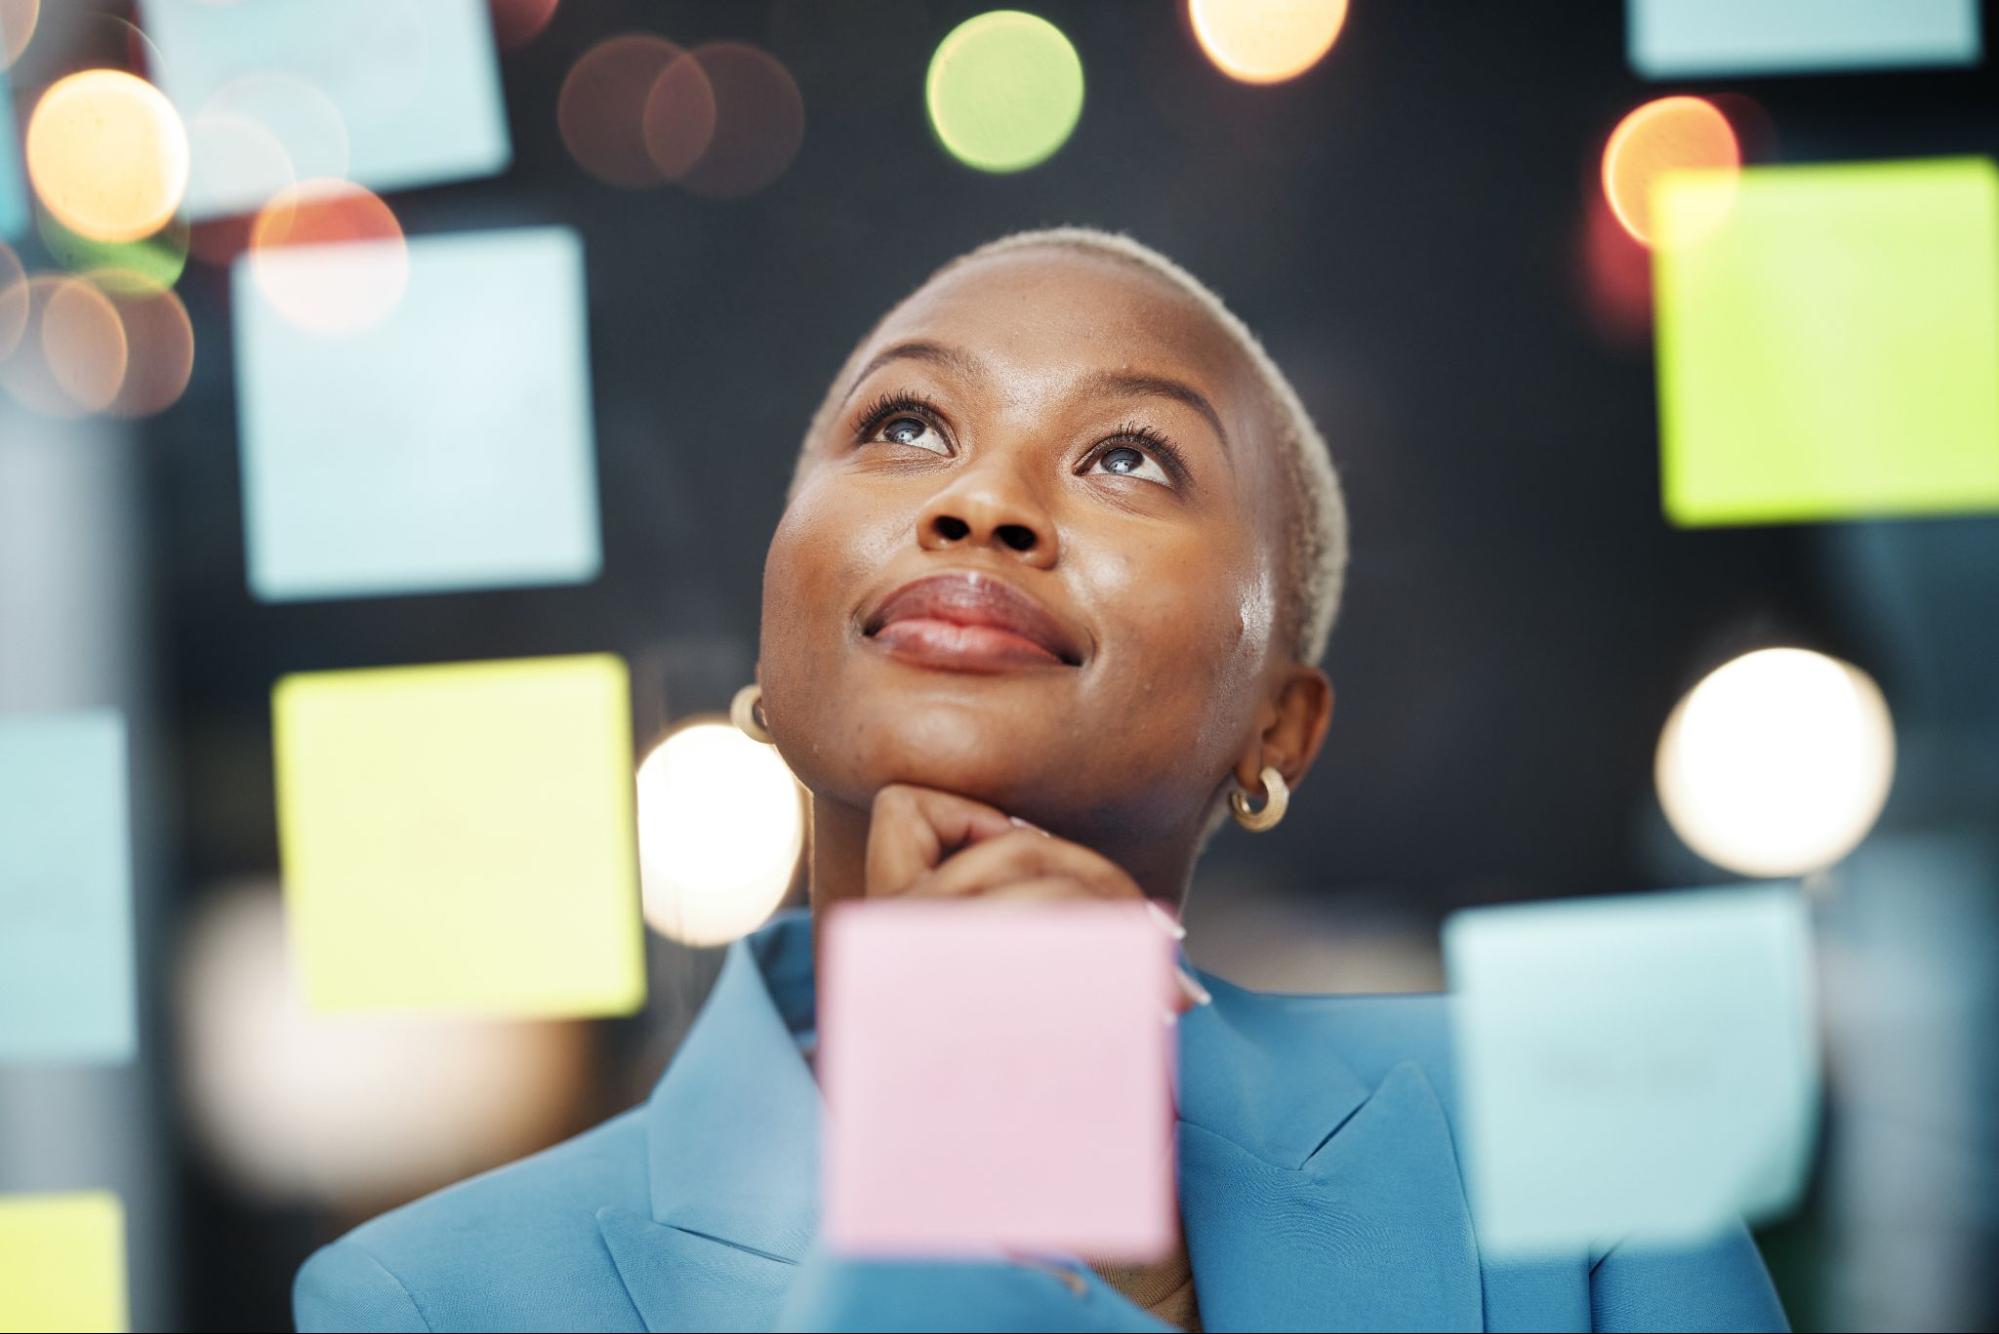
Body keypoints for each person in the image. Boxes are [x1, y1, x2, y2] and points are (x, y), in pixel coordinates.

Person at [293, 227, 1789, 1332]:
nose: (982, 500)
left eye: (1132, 458)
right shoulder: (430, 1301)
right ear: (778, 629)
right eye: (905, 425)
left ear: (1279, 726)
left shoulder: (1565, 1146)